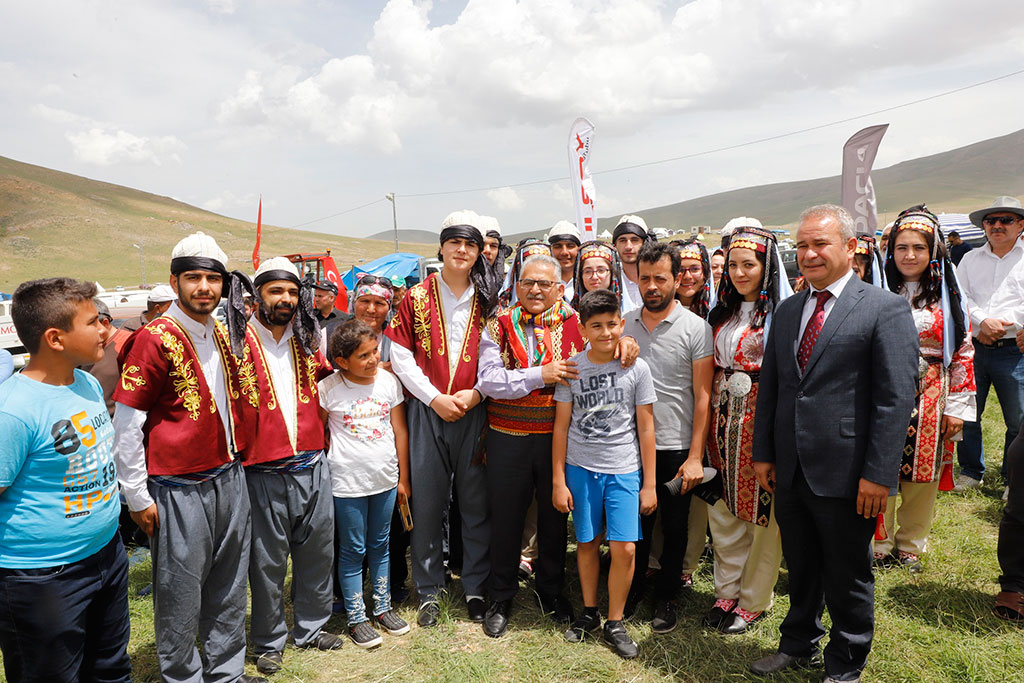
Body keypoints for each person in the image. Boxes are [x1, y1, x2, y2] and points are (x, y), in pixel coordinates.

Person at [750, 204, 918, 682]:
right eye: (802, 245)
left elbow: (894, 399)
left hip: (848, 472)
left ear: (850, 247)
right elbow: (773, 387)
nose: (809, 254)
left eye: (820, 243)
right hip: (791, 469)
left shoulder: (884, 308)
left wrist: (878, 475)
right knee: (801, 565)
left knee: (847, 573)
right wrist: (764, 453)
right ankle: (798, 642)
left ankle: (846, 662)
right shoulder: (788, 310)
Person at [113, 232, 265, 683]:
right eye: (193, 278)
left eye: (212, 279)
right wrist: (136, 495)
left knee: (229, 582)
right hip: (178, 487)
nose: (204, 288)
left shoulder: (222, 330)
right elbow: (127, 423)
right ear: (175, 280)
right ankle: (182, 675)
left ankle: (226, 671)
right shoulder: (154, 338)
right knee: (179, 590)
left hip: (229, 475)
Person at [0, 278, 131, 682]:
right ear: (55, 338)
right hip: (43, 578)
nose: (106, 329)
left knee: (111, 668)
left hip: (107, 554)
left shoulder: (86, 382)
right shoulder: (13, 411)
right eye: (93, 322)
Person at [385, 209, 499, 628]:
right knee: (428, 502)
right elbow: (400, 355)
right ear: (442, 247)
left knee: (475, 502)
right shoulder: (415, 297)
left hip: (474, 410)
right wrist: (434, 398)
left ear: (479, 252)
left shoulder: (489, 300)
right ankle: (429, 590)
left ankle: (475, 586)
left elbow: (498, 357)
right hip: (427, 411)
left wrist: (477, 393)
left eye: (470, 244)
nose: (462, 250)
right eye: (455, 242)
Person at [476, 253, 584, 637]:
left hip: (559, 439)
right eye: (528, 283)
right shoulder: (499, 324)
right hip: (508, 437)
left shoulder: (578, 324)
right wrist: (541, 374)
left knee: (555, 519)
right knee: (506, 518)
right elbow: (489, 381)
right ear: (517, 285)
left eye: (544, 283)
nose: (535, 290)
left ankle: (552, 591)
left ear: (560, 288)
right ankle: (501, 595)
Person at [244, 257, 341, 674]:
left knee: (317, 551)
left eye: (291, 291)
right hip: (263, 471)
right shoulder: (235, 342)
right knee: (267, 562)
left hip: (313, 463)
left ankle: (312, 626)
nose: (285, 299)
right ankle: (268, 640)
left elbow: (327, 383)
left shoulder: (307, 339)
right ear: (257, 295)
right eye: (275, 291)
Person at [553, 289, 657, 659]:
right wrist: (558, 479)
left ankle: (615, 620)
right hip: (580, 468)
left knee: (625, 547)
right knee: (586, 541)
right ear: (582, 329)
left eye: (612, 324)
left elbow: (646, 427)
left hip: (624, 470)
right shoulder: (571, 369)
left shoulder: (637, 369)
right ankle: (589, 611)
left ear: (622, 324)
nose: (605, 332)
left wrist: (649, 483)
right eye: (595, 326)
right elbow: (561, 427)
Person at [875, 206, 976, 573]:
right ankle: (879, 543)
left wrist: (957, 407)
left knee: (923, 470)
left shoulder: (949, 295)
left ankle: (910, 545)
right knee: (880, 465)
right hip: (882, 389)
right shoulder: (877, 290)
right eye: (901, 247)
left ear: (932, 251)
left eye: (918, 247)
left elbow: (963, 349)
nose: (909, 255)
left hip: (932, 389)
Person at [622, 240, 714, 632]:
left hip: (676, 446)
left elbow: (703, 396)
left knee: (675, 527)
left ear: (677, 279)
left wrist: (694, 456)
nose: (652, 286)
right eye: (645, 278)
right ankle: (631, 589)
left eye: (660, 278)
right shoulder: (624, 324)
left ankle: (667, 596)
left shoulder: (697, 328)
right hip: (629, 446)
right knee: (635, 523)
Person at [704, 225, 791, 635]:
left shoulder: (782, 316)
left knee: (762, 514)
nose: (739, 273)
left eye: (749, 265)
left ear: (766, 267)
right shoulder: (721, 313)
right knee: (723, 509)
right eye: (733, 266)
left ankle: (754, 598)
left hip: (759, 419)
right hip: (721, 421)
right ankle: (726, 591)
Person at [320, 319, 412, 647]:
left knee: (380, 545)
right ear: (342, 361)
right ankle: (357, 617)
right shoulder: (328, 389)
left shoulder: (389, 382)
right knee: (353, 549)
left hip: (385, 480)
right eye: (364, 356)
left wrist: (403, 478)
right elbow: (320, 434)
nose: (374, 359)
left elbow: (400, 431)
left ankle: (383, 608)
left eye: (375, 351)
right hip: (347, 485)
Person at [955, 196, 1024, 489]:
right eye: (990, 220)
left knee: (1018, 420)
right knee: (968, 413)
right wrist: (983, 321)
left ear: (1020, 225)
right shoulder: (970, 259)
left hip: (1015, 349)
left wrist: (999, 324)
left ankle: (1014, 479)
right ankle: (971, 472)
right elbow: (960, 296)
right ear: (983, 226)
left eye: (1005, 220)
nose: (997, 225)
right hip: (974, 347)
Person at [571, 241, 626, 311]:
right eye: (588, 271)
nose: (594, 277)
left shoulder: (626, 312)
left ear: (612, 274)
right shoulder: (569, 314)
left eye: (601, 270)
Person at [613, 215, 649, 311]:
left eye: (634, 240)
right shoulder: (611, 282)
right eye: (623, 240)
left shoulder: (657, 279)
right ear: (615, 245)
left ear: (644, 243)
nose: (628, 246)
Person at [675, 238, 716, 318]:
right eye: (680, 270)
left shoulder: (719, 315)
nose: (687, 276)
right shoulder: (656, 314)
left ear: (705, 273)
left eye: (695, 269)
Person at [547, 220, 582, 303]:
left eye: (570, 246)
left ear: (578, 249)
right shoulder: (544, 283)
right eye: (558, 246)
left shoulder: (588, 282)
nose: (564, 252)